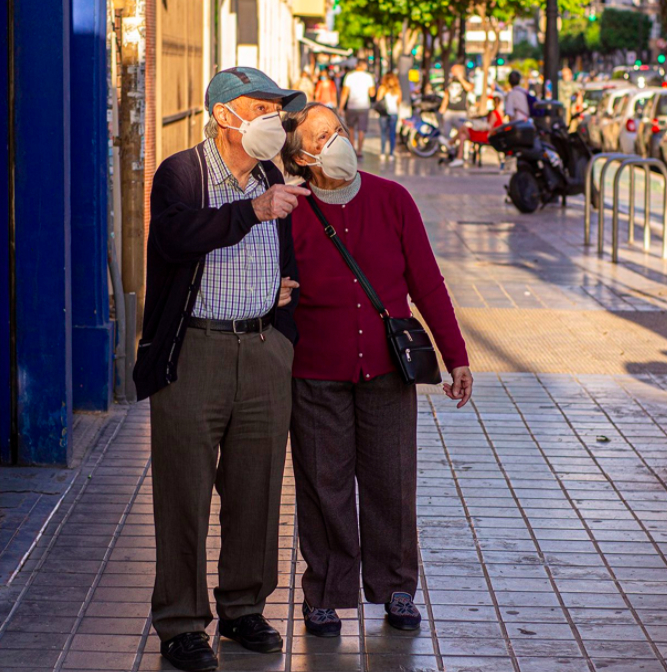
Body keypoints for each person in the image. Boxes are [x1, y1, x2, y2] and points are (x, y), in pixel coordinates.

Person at [133, 66, 310, 672]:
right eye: (262, 108)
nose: (273, 122)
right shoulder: (181, 172)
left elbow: (282, 248)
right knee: (183, 492)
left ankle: (242, 607)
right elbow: (179, 238)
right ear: (225, 115)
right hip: (195, 351)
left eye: (277, 110)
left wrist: (282, 294)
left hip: (261, 349)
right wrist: (251, 211)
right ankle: (182, 622)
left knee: (256, 487)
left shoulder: (271, 173)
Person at [280, 102, 473, 639]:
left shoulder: (394, 199)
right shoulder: (290, 210)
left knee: (392, 482)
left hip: (389, 371)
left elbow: (428, 284)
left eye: (337, 129)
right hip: (314, 374)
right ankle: (325, 593)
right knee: (324, 485)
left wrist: (456, 356)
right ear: (301, 156)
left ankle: (395, 588)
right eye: (321, 137)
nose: (336, 140)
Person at [438, 64, 475, 167]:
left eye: (454, 71)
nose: (452, 73)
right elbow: (446, 95)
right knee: (451, 133)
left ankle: (452, 145)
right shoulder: (450, 81)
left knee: (463, 131)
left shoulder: (465, 80)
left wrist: (461, 79)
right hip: (450, 111)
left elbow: (469, 88)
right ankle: (455, 153)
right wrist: (442, 109)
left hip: (460, 111)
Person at [339, 59, 376, 158]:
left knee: (350, 128)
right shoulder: (369, 77)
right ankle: (360, 151)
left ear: (356, 66)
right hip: (364, 106)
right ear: (364, 66)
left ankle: (352, 149)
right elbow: (372, 93)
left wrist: (341, 107)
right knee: (361, 129)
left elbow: (345, 93)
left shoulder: (349, 76)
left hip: (351, 106)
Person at [376, 71, 402, 161]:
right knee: (392, 134)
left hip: (383, 113)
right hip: (394, 113)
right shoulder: (397, 89)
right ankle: (391, 153)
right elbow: (399, 102)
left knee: (383, 133)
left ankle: (383, 152)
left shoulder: (382, 88)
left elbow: (378, 99)